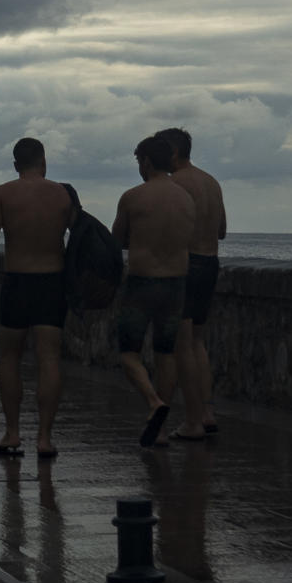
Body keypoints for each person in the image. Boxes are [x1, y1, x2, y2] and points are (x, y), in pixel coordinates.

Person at [0, 137, 73, 459]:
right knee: (49, 359)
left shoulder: (3, 194)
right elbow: (80, 239)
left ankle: (12, 434)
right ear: (43, 161)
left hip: (17, 282)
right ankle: (44, 438)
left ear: (16, 165)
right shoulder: (63, 194)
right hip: (52, 283)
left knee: (10, 358)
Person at [110, 135, 195, 447]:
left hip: (142, 284)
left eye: (138, 162)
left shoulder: (133, 197)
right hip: (176, 284)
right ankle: (159, 429)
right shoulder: (186, 199)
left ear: (146, 162)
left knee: (129, 353)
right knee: (166, 353)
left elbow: (116, 241)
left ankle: (153, 401)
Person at [156, 126, 226, 440]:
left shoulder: (175, 184)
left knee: (183, 346)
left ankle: (194, 421)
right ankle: (207, 411)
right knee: (198, 343)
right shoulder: (211, 182)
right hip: (210, 262)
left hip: (185, 265)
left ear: (172, 152)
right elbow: (221, 229)